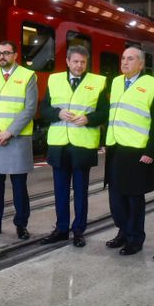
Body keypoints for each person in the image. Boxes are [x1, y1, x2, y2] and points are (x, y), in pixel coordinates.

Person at [39, 45, 109, 248]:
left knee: (81, 191)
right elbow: (44, 110)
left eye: (83, 62)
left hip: (83, 145)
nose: (79, 65)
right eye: (75, 61)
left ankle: (78, 230)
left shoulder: (97, 82)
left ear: (87, 63)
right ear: (68, 62)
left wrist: (89, 118)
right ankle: (61, 229)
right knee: (60, 191)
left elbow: (105, 112)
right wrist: (57, 114)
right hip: (59, 144)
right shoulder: (55, 80)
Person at [104, 47, 154, 256]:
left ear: (140, 64)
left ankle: (135, 238)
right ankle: (123, 231)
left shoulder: (153, 85)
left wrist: (151, 150)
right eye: (123, 58)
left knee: (133, 198)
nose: (125, 62)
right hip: (115, 147)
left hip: (137, 150)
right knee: (116, 197)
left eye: (131, 59)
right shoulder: (117, 82)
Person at [0, 40, 38, 240]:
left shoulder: (28, 76)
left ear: (15, 55)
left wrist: (9, 132)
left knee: (19, 186)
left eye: (6, 53)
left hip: (16, 139)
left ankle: (21, 225)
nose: (2, 56)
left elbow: (30, 108)